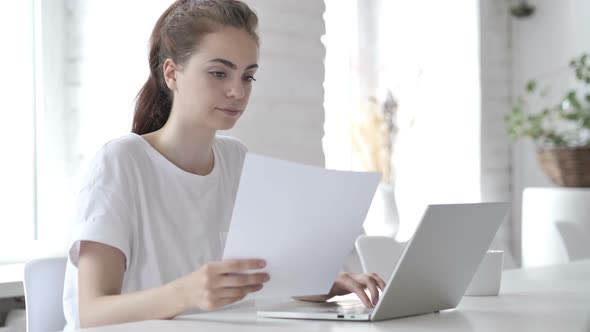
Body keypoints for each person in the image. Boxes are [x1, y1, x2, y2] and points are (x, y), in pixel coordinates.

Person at [62, 0, 385, 329]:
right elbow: (91, 312)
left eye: (248, 77)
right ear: (172, 73)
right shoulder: (121, 162)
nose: (237, 91)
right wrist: (187, 292)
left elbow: (267, 275)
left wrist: (322, 283)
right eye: (219, 73)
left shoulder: (235, 159)